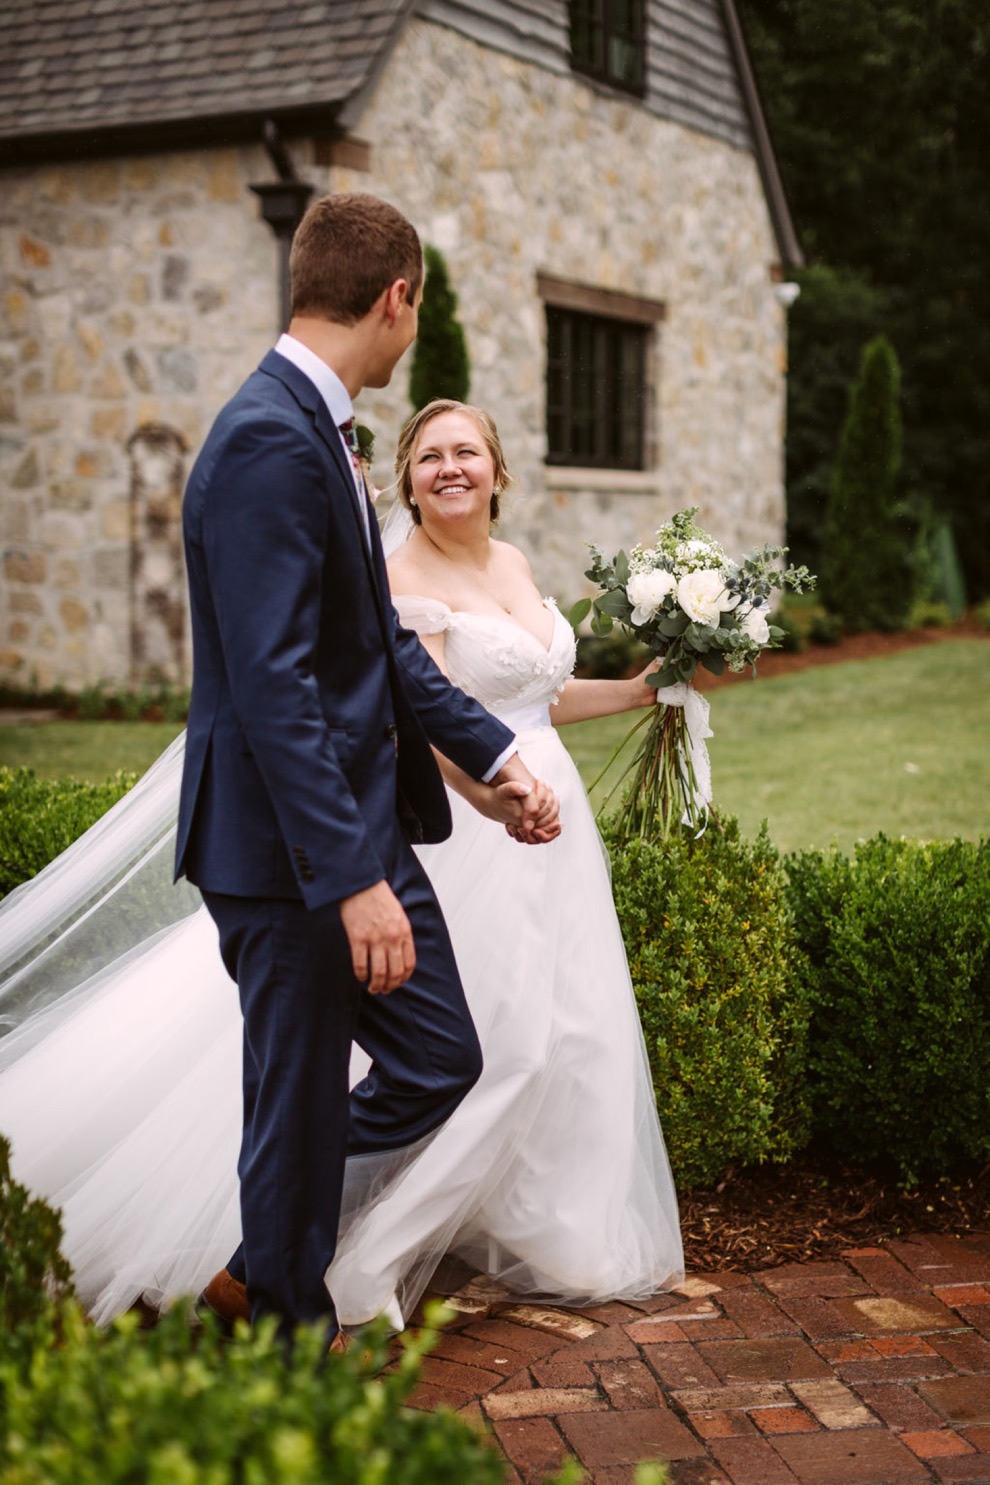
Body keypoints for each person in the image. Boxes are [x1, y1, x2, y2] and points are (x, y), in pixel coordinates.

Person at [0, 397, 681, 1334]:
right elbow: (417, 703)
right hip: (466, 833)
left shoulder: (516, 564)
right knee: (479, 1050)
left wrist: (647, 691)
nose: (450, 467)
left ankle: (495, 1221)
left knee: (557, 1037)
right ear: (406, 478)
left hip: (541, 824)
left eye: (468, 452)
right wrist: (490, 788)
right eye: (430, 455)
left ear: (499, 469)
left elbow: (538, 696)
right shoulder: (399, 572)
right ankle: (322, 1247)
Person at [171, 192, 561, 1344]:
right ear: (398, 299)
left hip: (349, 832)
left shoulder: (320, 428)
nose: (414, 327)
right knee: (293, 1102)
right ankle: (282, 1335)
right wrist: (350, 878)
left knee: (440, 1056)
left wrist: (491, 758)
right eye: (418, 309)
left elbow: (378, 646)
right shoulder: (264, 440)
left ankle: (259, 1254)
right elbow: (274, 687)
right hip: (292, 852)